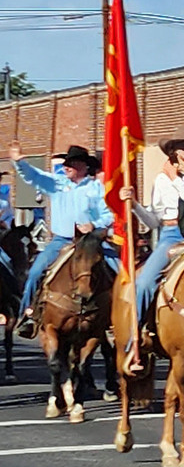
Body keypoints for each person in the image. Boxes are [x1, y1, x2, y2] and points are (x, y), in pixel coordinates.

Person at [123, 131, 184, 364]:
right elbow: (152, 221)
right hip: (171, 234)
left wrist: (174, 177)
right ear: (173, 152)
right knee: (144, 283)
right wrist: (134, 204)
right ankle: (136, 336)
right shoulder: (161, 180)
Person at [7, 143, 117, 335]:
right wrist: (20, 162)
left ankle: (120, 315)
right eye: (66, 164)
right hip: (61, 240)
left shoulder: (95, 188)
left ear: (83, 166)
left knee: (119, 270)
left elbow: (109, 215)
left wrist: (94, 224)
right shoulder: (57, 183)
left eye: (71, 164)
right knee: (35, 272)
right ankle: (28, 315)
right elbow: (34, 177)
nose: (66, 167)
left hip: (88, 242)